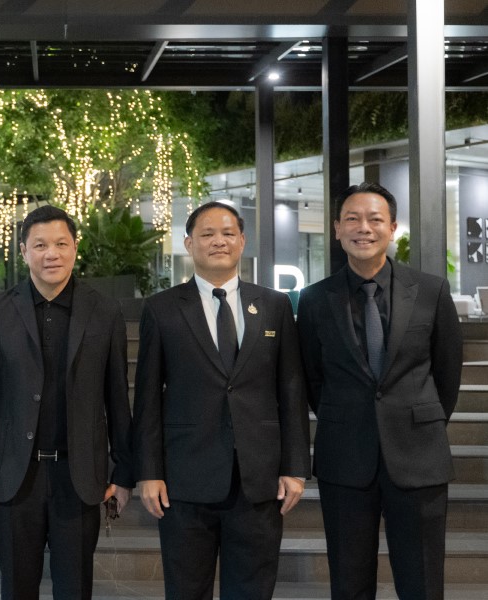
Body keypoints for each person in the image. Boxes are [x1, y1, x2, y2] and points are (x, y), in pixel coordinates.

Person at [132, 201, 310, 600]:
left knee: (252, 591)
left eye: (228, 233)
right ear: (189, 243)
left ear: (242, 241)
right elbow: (147, 398)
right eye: (207, 234)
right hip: (184, 479)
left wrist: (296, 466)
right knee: (186, 590)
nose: (219, 241)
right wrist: (149, 471)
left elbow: (291, 390)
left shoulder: (274, 305)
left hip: (259, 480)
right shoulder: (161, 309)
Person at [296, 182, 463, 600]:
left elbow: (447, 373)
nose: (363, 228)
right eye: (352, 219)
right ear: (337, 228)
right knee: (349, 583)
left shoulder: (431, 291)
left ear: (392, 227)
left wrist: (417, 419)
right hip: (345, 458)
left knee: (423, 583)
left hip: (419, 456)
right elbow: (313, 379)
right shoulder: (314, 300)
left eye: (374, 219)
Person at [0, 205, 133, 600]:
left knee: (75, 589)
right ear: (24, 252)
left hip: (79, 477)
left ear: (75, 248)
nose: (51, 254)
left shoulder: (105, 311)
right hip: (14, 477)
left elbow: (117, 398)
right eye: (40, 245)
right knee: (16, 588)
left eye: (60, 244)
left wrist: (124, 473)